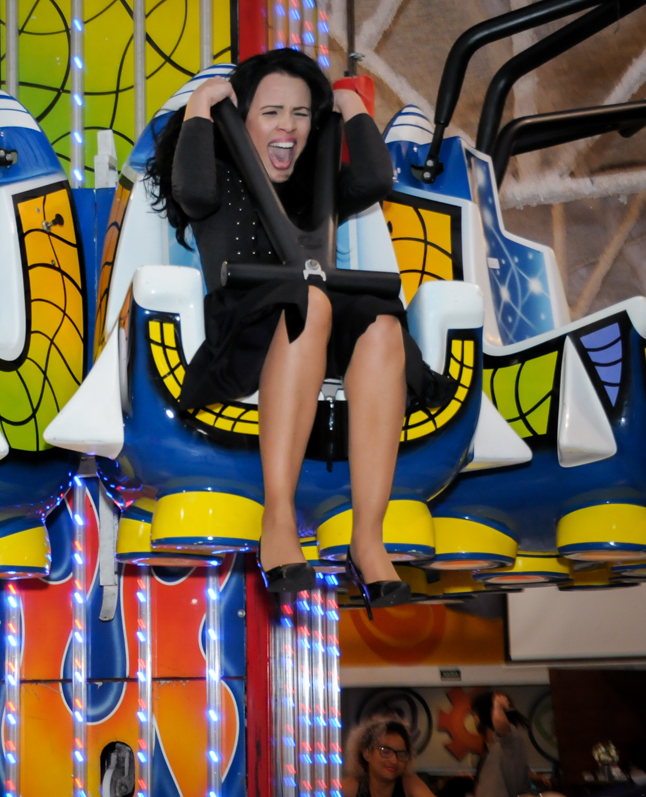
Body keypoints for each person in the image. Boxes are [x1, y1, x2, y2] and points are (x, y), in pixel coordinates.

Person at [145, 48, 453, 606]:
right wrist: (197, 107)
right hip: (247, 323)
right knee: (310, 301)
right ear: (241, 120)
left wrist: (347, 105)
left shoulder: (318, 188)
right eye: (271, 113)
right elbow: (189, 190)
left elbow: (377, 176)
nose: (287, 126)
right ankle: (279, 518)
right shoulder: (217, 177)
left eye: (301, 114)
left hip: (318, 316)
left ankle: (368, 535)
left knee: (382, 322)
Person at [472, 692, 549, 797]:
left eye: (475, 712)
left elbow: (500, 722)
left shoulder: (509, 736)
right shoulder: (492, 745)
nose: (474, 717)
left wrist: (497, 704)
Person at [341, 716, 435, 797]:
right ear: (367, 753)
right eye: (385, 751)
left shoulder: (409, 783)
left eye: (401, 754)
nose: (394, 760)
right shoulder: (352, 788)